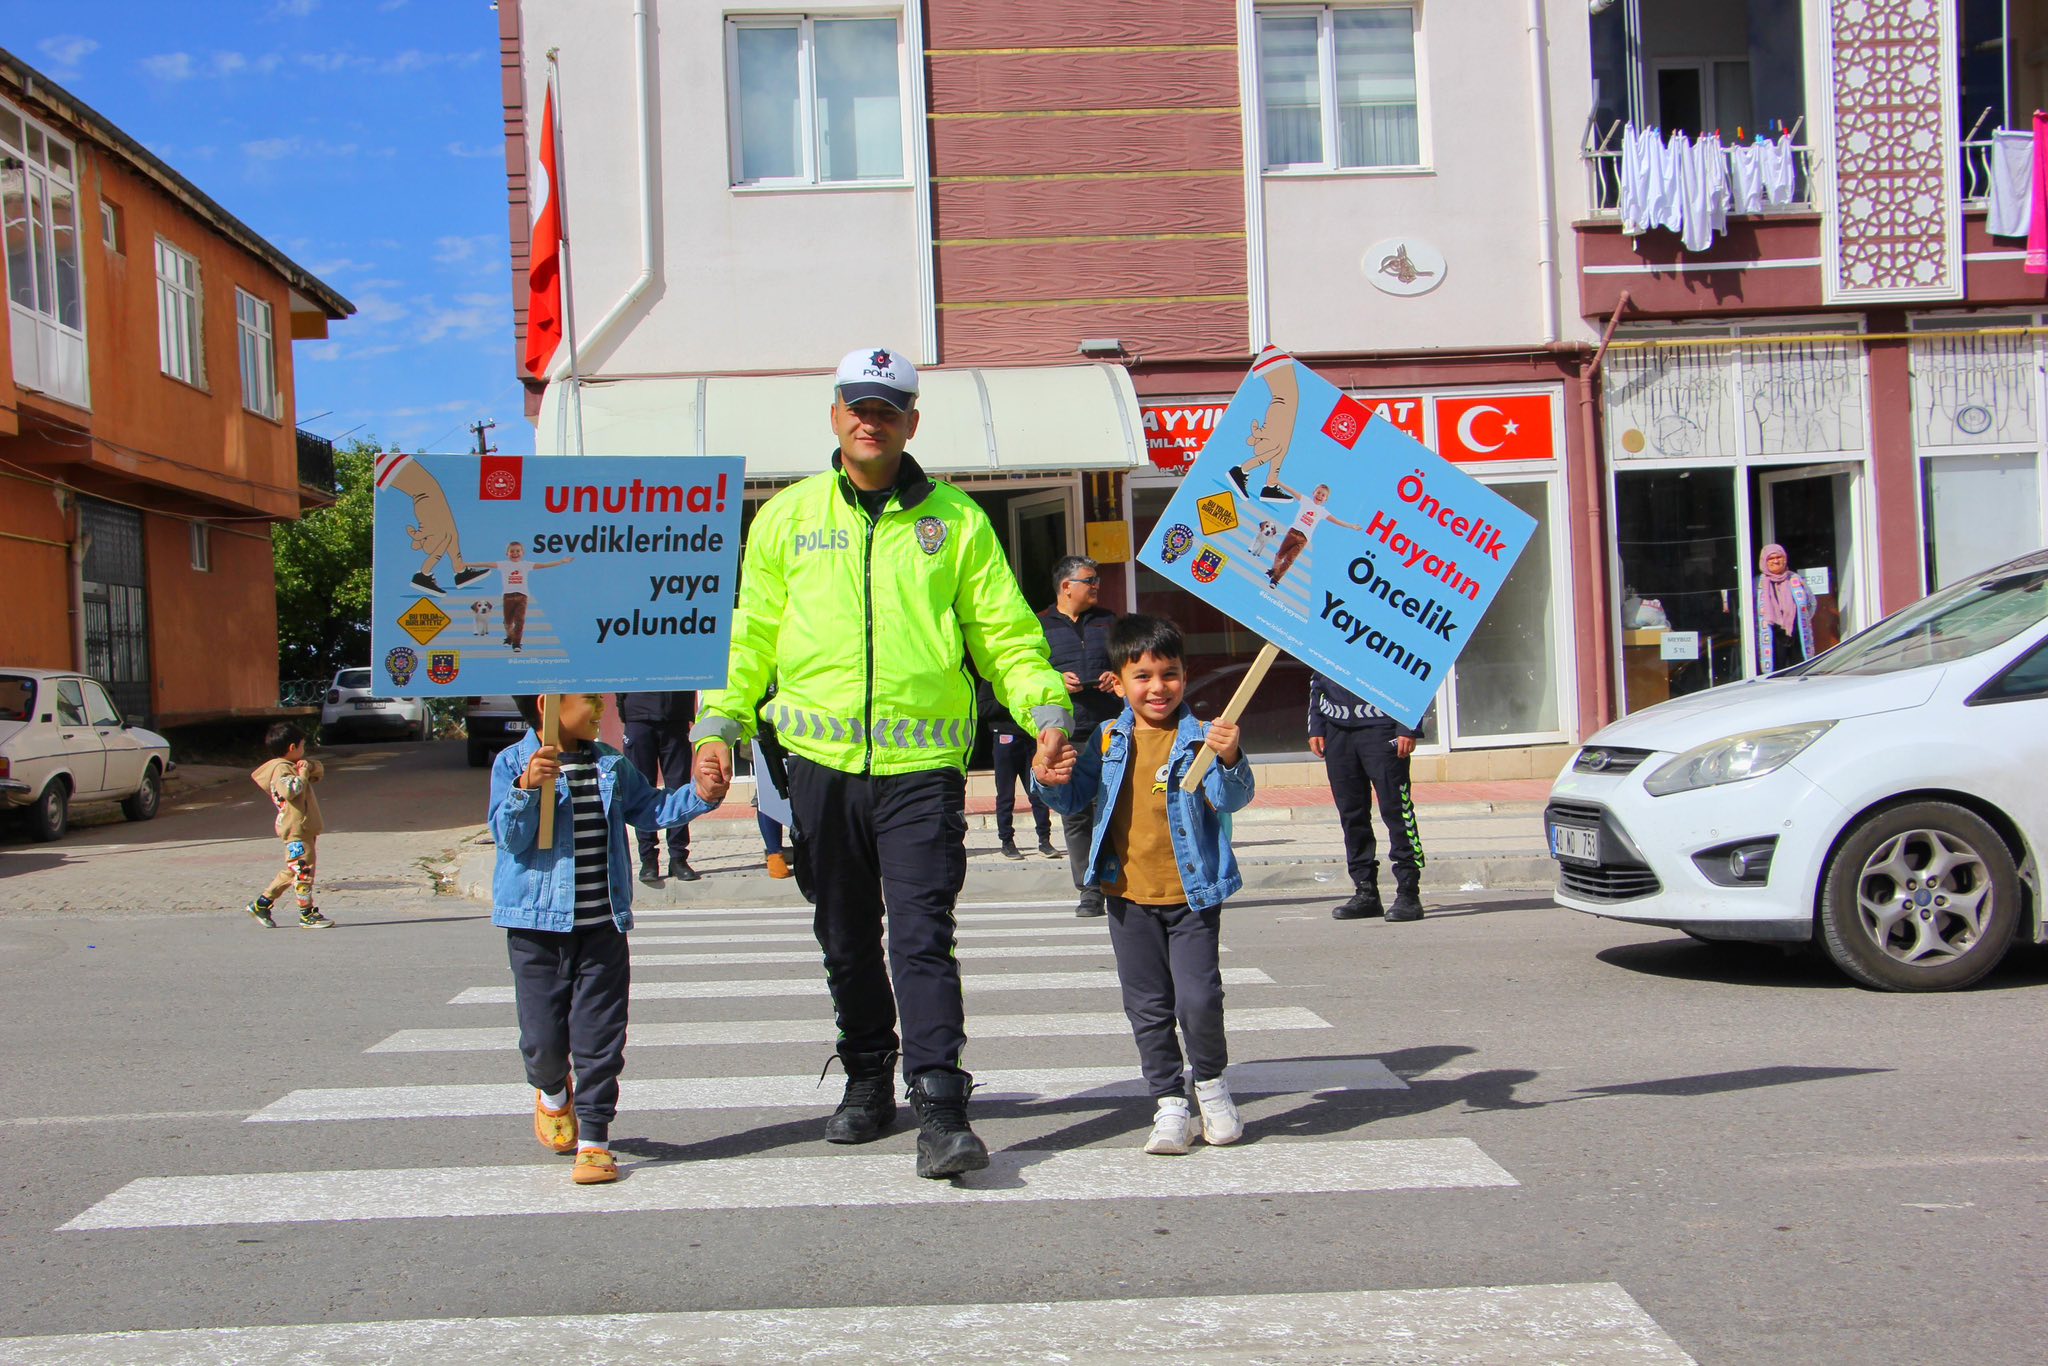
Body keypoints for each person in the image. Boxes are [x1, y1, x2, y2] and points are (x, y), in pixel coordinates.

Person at [691, 345, 1074, 1180]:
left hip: (922, 770)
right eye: (858, 407)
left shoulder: (958, 522)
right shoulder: (786, 516)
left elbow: (1005, 634)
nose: (872, 420)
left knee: (923, 938)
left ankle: (942, 1105)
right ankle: (868, 1077)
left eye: (888, 409)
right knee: (845, 937)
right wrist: (716, 727)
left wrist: (1045, 708)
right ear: (836, 415)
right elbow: (750, 633)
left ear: (911, 423)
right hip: (817, 770)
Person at [1032, 614, 1255, 1154]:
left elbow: (1232, 798)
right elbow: (1073, 799)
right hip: (1127, 898)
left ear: (1185, 675)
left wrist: (1229, 758)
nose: (1158, 687)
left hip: (1191, 897)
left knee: (1199, 999)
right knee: (1148, 1006)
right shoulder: (1107, 738)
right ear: (1119, 679)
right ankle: (1170, 1104)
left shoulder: (1203, 737)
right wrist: (1049, 779)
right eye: (1143, 676)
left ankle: (1213, 1089)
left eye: (1170, 674)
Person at [489, 693, 725, 1186]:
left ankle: (595, 1139)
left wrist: (701, 794)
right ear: (547, 703)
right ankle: (554, 1093)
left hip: (602, 928)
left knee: (600, 1039)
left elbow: (652, 808)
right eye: (589, 698)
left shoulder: (611, 765)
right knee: (543, 1044)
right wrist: (526, 789)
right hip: (536, 930)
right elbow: (509, 838)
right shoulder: (513, 762)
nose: (601, 707)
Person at [1038, 555, 1120, 915]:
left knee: (1113, 806)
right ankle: (1088, 889)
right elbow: (1030, 673)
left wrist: (1113, 675)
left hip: (1109, 729)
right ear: (1066, 586)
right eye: (1090, 580)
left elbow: (1129, 664)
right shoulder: (1038, 626)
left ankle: (1117, 881)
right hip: (1067, 732)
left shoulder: (1109, 622)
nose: (1097, 586)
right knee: (1075, 814)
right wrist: (1055, 681)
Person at [1308, 671, 1425, 922]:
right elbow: (1317, 677)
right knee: (1351, 814)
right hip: (1336, 729)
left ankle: (1408, 891)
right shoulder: (1329, 633)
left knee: (1397, 811)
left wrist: (1408, 724)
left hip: (1383, 728)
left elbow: (1413, 672)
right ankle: (1365, 891)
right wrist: (1316, 725)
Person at [244, 722, 334, 929]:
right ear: (293, 747)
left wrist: (307, 767)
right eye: (303, 745)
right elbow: (291, 790)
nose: (305, 750)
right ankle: (307, 913)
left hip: (302, 827)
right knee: (303, 870)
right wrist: (301, 773)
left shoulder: (291, 766)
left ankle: (261, 904)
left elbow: (318, 771)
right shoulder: (281, 770)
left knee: (294, 870)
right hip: (296, 829)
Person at [616, 690, 699, 884]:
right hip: (638, 713)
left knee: (679, 789)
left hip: (675, 713)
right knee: (640, 788)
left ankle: (678, 857)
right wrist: (624, 708)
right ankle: (648, 859)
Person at [979, 672, 1053, 860]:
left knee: (1037, 793)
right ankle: (1007, 842)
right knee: (1006, 795)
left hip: (1030, 738)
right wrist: (1011, 701)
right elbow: (983, 708)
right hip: (1004, 739)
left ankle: (1045, 840)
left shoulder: (1028, 675)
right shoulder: (992, 679)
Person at [1223, 348, 1299, 503]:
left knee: (1281, 445)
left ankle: (1271, 484)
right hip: (1271, 355)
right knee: (1286, 399)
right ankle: (1242, 470)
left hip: (1272, 354)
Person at [474, 542, 573, 653]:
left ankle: (517, 643)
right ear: (507, 553)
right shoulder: (503, 564)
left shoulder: (526, 565)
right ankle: (509, 637)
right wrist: (466, 564)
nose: (515, 553)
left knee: (520, 621)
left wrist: (561, 562)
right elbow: (486, 564)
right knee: (507, 622)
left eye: (518, 551)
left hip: (522, 597)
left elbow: (544, 565)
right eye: (512, 551)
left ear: (523, 553)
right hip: (508, 597)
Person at [1264, 482, 1362, 590]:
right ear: (1313, 493)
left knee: (1289, 560)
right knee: (1280, 555)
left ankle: (1275, 580)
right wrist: (1278, 482)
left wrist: (1351, 526)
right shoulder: (1306, 501)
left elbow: (1336, 521)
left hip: (1303, 539)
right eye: (1318, 493)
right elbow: (1292, 491)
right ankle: (1273, 570)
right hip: (1293, 532)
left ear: (1326, 500)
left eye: (1323, 495)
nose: (1320, 496)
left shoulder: (1322, 512)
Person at [1755, 543, 1816, 673]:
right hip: (1772, 636)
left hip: (1795, 634)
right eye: (1771, 559)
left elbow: (1811, 603)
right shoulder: (1757, 584)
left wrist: (1801, 621)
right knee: (1776, 674)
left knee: (1800, 672)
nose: (1776, 561)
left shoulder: (1795, 579)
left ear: (1785, 559)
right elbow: (1747, 613)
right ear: (1764, 561)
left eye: (1779, 557)